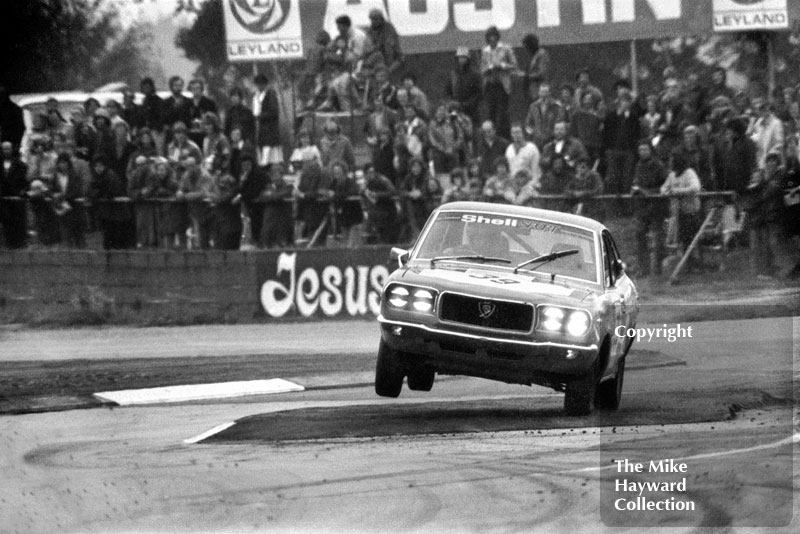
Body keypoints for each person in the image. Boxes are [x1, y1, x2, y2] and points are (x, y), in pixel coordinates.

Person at [742, 153, 796, 278]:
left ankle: (788, 268)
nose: (770, 164)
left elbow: (768, 192)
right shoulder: (767, 178)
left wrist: (761, 186)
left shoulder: (779, 177)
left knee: (776, 243)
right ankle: (782, 268)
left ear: (777, 164)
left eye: (773, 162)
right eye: (768, 162)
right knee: (772, 243)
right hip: (769, 215)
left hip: (777, 214)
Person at [631, 141, 669, 276]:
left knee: (658, 238)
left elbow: (665, 186)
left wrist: (646, 191)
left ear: (650, 150)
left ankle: (658, 269)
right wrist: (636, 190)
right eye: (640, 150)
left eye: (645, 150)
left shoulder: (658, 166)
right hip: (642, 207)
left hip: (656, 206)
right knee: (640, 235)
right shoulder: (638, 166)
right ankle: (644, 269)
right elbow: (636, 182)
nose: (643, 152)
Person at [660, 151, 702, 267]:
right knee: (683, 239)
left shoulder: (689, 173)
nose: (670, 163)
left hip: (692, 211)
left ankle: (695, 264)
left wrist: (678, 191)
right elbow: (664, 187)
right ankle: (686, 264)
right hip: (679, 212)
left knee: (691, 239)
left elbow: (695, 187)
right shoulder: (672, 175)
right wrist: (665, 192)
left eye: (672, 160)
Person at [480, 26, 518, 138]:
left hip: (502, 85)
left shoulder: (506, 48)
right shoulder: (485, 51)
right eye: (490, 37)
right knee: (491, 113)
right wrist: (489, 67)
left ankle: (504, 138)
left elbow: (515, 65)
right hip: (490, 84)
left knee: (502, 114)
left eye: (494, 36)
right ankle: (491, 137)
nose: (492, 39)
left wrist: (502, 65)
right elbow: (482, 69)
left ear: (497, 37)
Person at [90, 156, 134, 250]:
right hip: (109, 211)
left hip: (115, 211)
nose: (98, 168)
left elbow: (111, 191)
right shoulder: (98, 176)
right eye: (96, 166)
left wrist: (98, 194)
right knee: (109, 234)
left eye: (100, 166)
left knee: (113, 234)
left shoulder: (110, 175)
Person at [603, 92, 641, 195]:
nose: (625, 103)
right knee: (612, 176)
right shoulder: (611, 115)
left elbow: (636, 134)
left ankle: (626, 197)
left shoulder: (633, 117)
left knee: (626, 177)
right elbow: (606, 132)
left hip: (628, 151)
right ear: (619, 102)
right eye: (623, 101)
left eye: (627, 101)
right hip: (613, 150)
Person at [177, 156, 216, 250]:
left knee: (204, 239)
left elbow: (202, 193)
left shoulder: (204, 175)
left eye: (191, 166)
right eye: (187, 167)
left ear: (196, 166)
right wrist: (180, 192)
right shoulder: (187, 174)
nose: (188, 169)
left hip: (207, 210)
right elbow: (181, 187)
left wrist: (185, 196)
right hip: (193, 210)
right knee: (193, 236)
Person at [51, 153, 87, 248]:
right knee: (66, 233)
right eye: (60, 163)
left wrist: (63, 197)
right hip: (63, 208)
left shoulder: (74, 175)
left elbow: (76, 190)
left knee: (78, 233)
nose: (62, 165)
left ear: (68, 163)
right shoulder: (56, 176)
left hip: (74, 208)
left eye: (64, 163)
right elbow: (53, 189)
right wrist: (56, 196)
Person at [295, 156, 332, 245]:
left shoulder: (324, 173)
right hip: (307, 213)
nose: (307, 163)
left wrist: (304, 195)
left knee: (317, 240)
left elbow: (321, 192)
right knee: (308, 241)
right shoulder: (304, 174)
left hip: (320, 212)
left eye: (309, 160)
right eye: (305, 160)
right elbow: (300, 190)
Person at [0, 141, 29, 248]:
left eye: (8, 148)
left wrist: (21, 192)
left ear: (12, 149)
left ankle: (19, 244)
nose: (6, 151)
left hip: (16, 198)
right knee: (7, 222)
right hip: (3, 199)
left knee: (17, 222)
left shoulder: (20, 165)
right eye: (4, 149)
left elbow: (25, 182)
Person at [445, 47, 482, 129]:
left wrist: (467, 104)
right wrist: (452, 103)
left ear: (468, 58)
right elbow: (448, 91)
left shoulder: (475, 74)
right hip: (455, 109)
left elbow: (479, 93)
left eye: (463, 57)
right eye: (459, 57)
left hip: (472, 111)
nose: (461, 60)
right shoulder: (453, 73)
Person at [127, 155, 159, 248]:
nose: (141, 166)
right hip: (139, 206)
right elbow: (129, 191)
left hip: (152, 205)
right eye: (138, 165)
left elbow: (152, 189)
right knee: (140, 225)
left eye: (143, 164)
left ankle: (152, 244)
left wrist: (145, 192)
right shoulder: (134, 175)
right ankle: (142, 243)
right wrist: (140, 192)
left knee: (152, 227)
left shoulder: (153, 174)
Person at [259, 162, 294, 249]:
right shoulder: (268, 186)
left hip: (282, 224)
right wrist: (274, 196)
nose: (272, 175)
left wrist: (273, 196)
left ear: (281, 174)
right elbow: (262, 197)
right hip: (269, 224)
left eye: (275, 172)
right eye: (272, 172)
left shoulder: (288, 186)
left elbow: (284, 194)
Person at [362, 162, 397, 244]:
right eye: (368, 172)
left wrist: (377, 195)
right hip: (375, 213)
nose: (371, 174)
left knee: (386, 235)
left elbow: (392, 191)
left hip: (387, 211)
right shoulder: (367, 183)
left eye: (372, 172)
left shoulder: (383, 180)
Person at [400, 157, 435, 239]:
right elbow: (402, 190)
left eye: (418, 166)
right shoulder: (408, 178)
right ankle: (415, 236)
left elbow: (428, 190)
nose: (416, 169)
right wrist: (410, 194)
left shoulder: (427, 177)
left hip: (425, 205)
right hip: (412, 206)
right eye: (414, 167)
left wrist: (420, 194)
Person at [253, 73, 282, 168]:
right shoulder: (256, 96)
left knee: (270, 158)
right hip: (262, 133)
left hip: (270, 133)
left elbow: (274, 112)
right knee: (263, 158)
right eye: (257, 84)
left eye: (261, 84)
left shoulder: (270, 94)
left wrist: (259, 116)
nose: (259, 86)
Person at [238, 153, 267, 247]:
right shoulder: (245, 176)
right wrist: (242, 182)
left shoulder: (258, 175)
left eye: (247, 165)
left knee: (259, 227)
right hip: (251, 207)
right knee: (254, 228)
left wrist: (241, 197)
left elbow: (254, 192)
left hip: (260, 207)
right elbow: (242, 190)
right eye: (243, 166)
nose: (245, 167)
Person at [525, 83, 565, 150]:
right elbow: (528, 123)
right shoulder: (533, 106)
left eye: (545, 92)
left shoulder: (556, 107)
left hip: (551, 140)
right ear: (539, 93)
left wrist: (555, 136)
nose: (543, 94)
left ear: (549, 93)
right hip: (536, 140)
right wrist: (533, 133)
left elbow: (560, 123)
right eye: (542, 92)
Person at [748, 98, 784, 170]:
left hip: (771, 162)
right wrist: (751, 121)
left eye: (763, 108)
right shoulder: (758, 122)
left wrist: (773, 158)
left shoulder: (776, 123)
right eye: (758, 109)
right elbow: (750, 135)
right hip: (760, 162)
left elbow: (779, 144)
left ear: (767, 108)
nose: (762, 111)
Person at [427, 103, 464, 174]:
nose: (442, 112)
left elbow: (460, 135)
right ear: (435, 112)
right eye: (439, 110)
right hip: (439, 153)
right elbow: (432, 139)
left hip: (453, 152)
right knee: (441, 175)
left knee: (455, 173)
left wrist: (455, 146)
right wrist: (442, 148)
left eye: (444, 110)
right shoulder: (432, 124)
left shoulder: (453, 122)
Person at [212, 168, 243, 251]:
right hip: (223, 228)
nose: (222, 187)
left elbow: (223, 199)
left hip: (230, 228)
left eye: (225, 185)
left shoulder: (234, 195)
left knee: (230, 252)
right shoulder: (227, 196)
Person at [570, 92, 604, 167]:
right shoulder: (577, 114)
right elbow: (573, 130)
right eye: (585, 99)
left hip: (592, 147)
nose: (587, 101)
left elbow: (599, 132)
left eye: (590, 99)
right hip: (579, 145)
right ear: (582, 100)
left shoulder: (597, 117)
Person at [367, 9, 403, 76]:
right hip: (378, 60)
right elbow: (369, 45)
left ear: (381, 18)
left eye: (376, 19)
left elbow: (390, 44)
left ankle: (387, 71)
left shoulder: (388, 28)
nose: (374, 21)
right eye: (372, 19)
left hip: (392, 58)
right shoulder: (370, 30)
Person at [505, 123, 540, 189]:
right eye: (513, 133)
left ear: (523, 133)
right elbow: (508, 171)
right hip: (513, 185)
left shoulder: (532, 148)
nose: (516, 135)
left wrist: (529, 185)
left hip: (528, 184)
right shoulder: (509, 149)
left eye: (518, 132)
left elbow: (535, 173)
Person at [187, 79, 218, 147]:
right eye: (193, 88)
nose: (195, 90)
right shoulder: (187, 103)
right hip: (190, 136)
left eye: (197, 88)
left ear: (202, 89)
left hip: (205, 135)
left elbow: (215, 120)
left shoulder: (210, 103)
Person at [521, 33, 550, 104]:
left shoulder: (542, 54)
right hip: (533, 91)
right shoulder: (534, 56)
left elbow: (542, 73)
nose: (526, 50)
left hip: (540, 91)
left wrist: (525, 76)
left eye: (527, 47)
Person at [139, 78, 164, 154]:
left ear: (152, 87)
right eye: (144, 87)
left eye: (148, 87)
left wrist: (155, 126)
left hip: (157, 130)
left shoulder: (158, 100)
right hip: (147, 130)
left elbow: (161, 116)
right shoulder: (144, 100)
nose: (146, 89)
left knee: (159, 150)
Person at [0, 85, 25, 152]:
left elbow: (20, 128)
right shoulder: (15, 108)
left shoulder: (15, 109)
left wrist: (16, 144)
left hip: (12, 144)